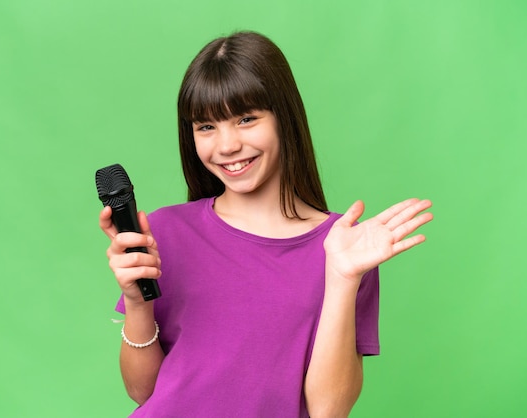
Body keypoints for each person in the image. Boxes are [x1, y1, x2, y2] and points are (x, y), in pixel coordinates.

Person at [99, 31, 433, 418]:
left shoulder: (345, 248)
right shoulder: (166, 232)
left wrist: (342, 278)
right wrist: (139, 305)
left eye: (246, 119)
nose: (226, 146)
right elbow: (143, 393)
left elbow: (328, 410)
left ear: (284, 117)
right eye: (206, 126)